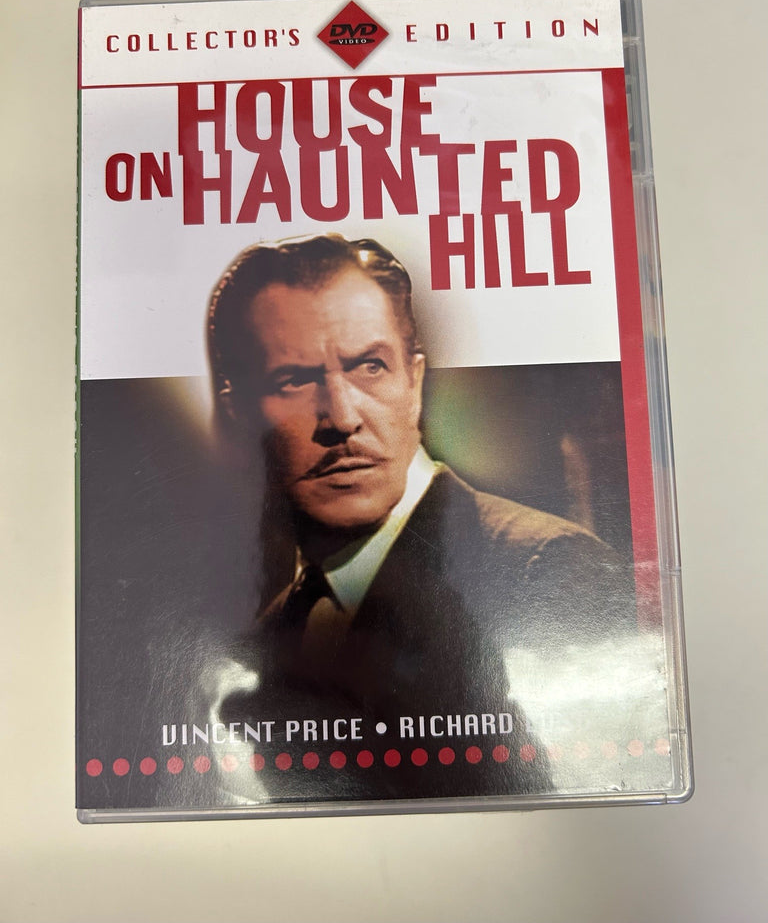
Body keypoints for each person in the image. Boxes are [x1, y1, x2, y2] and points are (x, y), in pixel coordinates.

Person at [200, 233, 634, 803]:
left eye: (370, 366)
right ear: (238, 410)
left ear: (415, 383)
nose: (342, 417)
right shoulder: (275, 629)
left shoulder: (549, 568)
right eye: (294, 380)